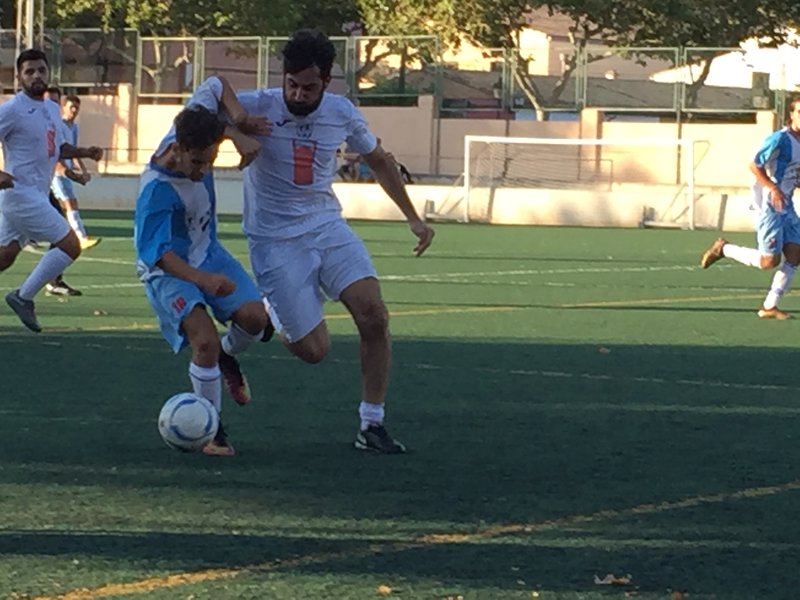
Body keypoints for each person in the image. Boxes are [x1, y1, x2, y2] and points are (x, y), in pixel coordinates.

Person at [236, 29, 435, 454]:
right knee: (314, 351)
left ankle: (372, 423)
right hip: (274, 240)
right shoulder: (257, 105)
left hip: (327, 227)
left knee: (374, 316)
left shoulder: (341, 112)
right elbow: (201, 106)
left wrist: (413, 218)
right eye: (292, 84)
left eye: (309, 87)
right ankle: (273, 312)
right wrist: (237, 134)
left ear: (327, 81)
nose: (298, 94)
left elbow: (379, 160)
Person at [134, 75, 271, 457]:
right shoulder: (156, 191)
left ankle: (226, 357)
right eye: (197, 163)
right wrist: (204, 280)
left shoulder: (191, 128)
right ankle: (213, 430)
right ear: (176, 149)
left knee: (256, 319)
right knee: (204, 340)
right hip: (169, 272)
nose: (203, 171)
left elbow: (215, 84)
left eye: (211, 161)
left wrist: (237, 126)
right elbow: (159, 255)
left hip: (208, 251)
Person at [0, 49, 103, 333]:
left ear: (49, 73)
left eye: (41, 70)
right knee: (71, 245)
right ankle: (23, 297)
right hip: (19, 194)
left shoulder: (51, 109)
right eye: (29, 71)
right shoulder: (12, 110)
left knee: (5, 256)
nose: (36, 76)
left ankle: (23, 296)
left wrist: (85, 152)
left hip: (35, 193)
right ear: (19, 77)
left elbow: (56, 149)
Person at [700, 96, 800, 320]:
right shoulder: (780, 139)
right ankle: (724, 249)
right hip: (771, 205)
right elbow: (754, 165)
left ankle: (769, 306)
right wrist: (773, 188)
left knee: (795, 254)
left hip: (787, 204)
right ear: (792, 115)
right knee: (768, 262)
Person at [42, 85, 82, 296]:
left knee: (63, 237)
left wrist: (86, 154)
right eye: (48, 100)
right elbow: (55, 160)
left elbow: (61, 151)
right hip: (21, 192)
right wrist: (72, 174)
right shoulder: (27, 121)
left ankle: (53, 280)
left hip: (40, 191)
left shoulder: (55, 126)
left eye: (55, 102)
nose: (51, 105)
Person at [51, 93, 102, 252]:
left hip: (66, 171)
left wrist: (83, 170)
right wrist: (64, 169)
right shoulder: (58, 126)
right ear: (63, 108)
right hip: (57, 172)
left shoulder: (74, 127)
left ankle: (67, 238)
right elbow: (59, 150)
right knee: (69, 202)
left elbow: (73, 150)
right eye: (71, 107)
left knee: (63, 205)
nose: (74, 110)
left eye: (77, 108)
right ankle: (81, 238)